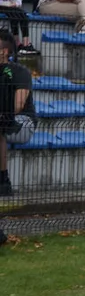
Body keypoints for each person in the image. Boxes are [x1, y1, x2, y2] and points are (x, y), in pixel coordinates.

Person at [0, 29, 37, 198]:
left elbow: (18, 105)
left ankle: (3, 181)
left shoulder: (20, 72)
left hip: (22, 122)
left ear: (4, 51)